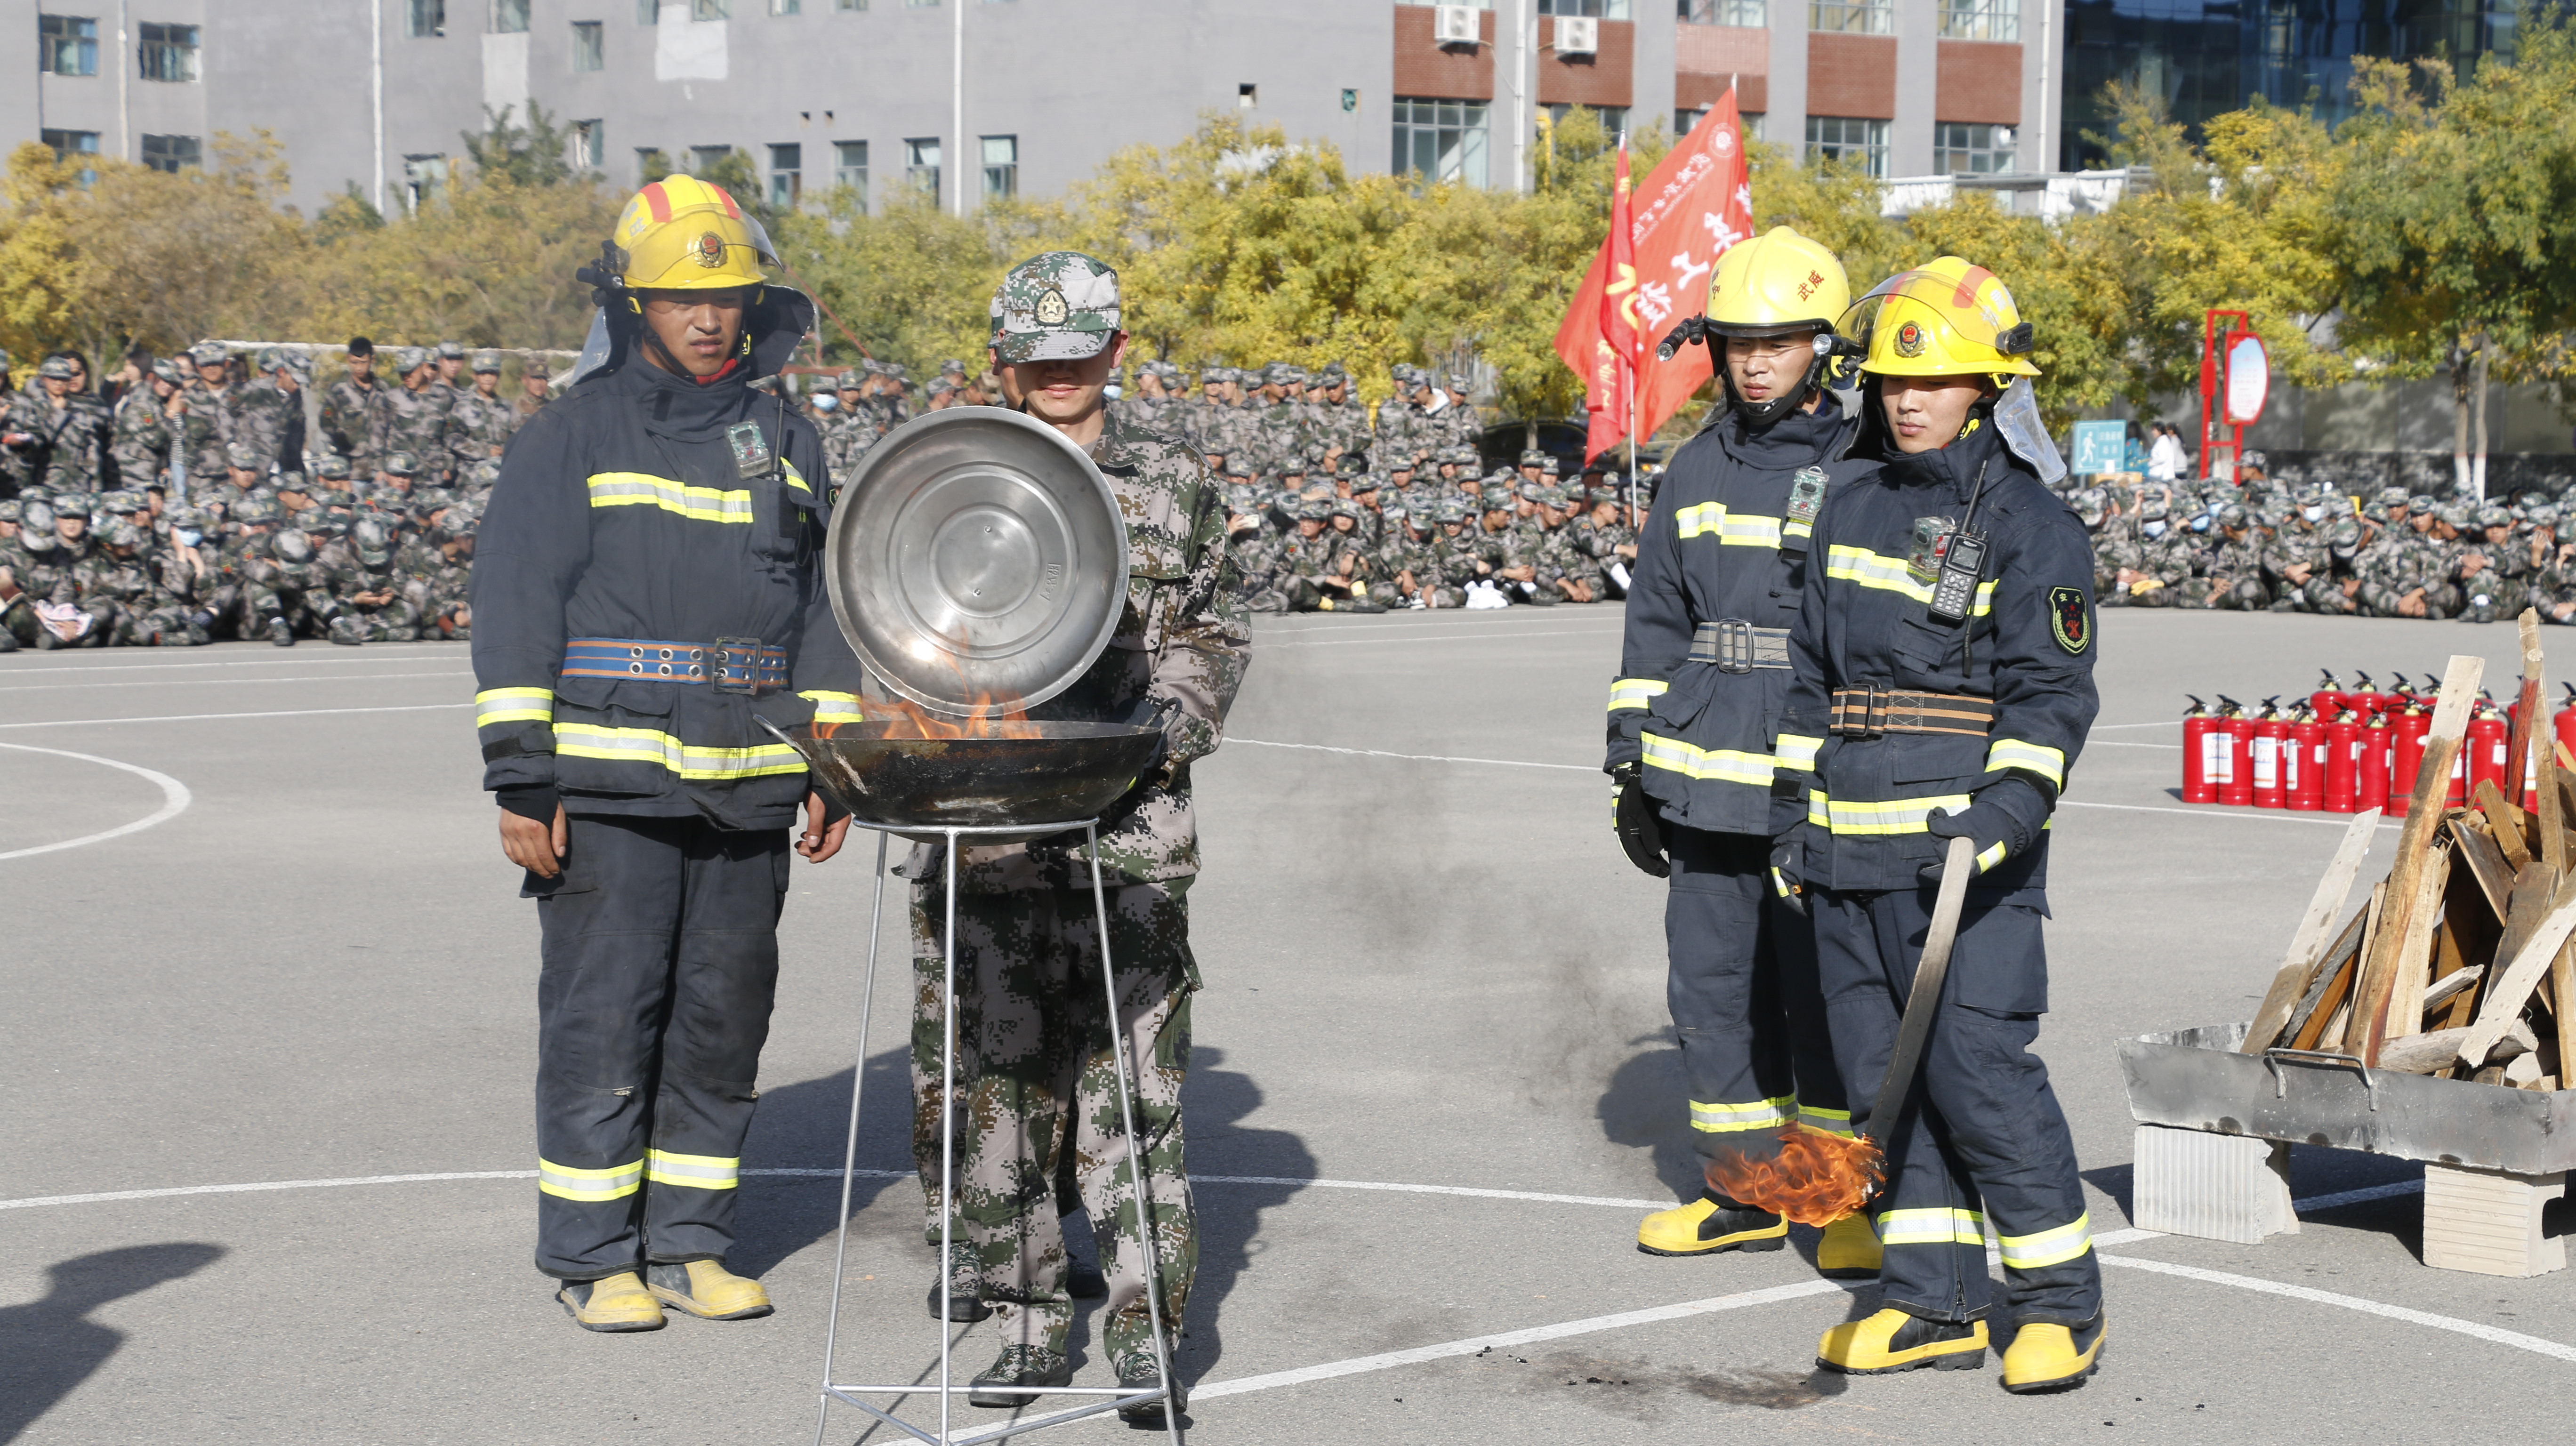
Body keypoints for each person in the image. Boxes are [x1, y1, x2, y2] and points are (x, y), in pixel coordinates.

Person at [468, 174, 869, 1334]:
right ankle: (594, 1254)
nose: (707, 317)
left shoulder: (786, 438)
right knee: (605, 1019)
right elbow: (516, 599)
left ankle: (691, 1241)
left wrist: (831, 760)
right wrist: (520, 773)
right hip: (609, 788)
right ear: (633, 304)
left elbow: (824, 608)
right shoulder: (572, 432)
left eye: (726, 298)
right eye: (683, 299)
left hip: (749, 785)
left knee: (722, 1021)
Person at [912, 249, 1245, 1422]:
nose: (1059, 372)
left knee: (1132, 1102)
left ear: (1116, 348)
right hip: (990, 839)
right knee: (998, 1099)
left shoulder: (1172, 481)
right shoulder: (950, 476)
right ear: (1000, 358)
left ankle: (1147, 1340)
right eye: (1035, 355)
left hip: (1128, 840)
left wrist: (1154, 737)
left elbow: (1212, 633)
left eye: (1080, 350)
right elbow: (898, 623)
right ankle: (1023, 1325)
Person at [1773, 257, 2104, 1390]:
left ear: (1989, 388)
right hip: (1843, 842)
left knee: (1976, 1070)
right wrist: (1790, 817)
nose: (1908, 400)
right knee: (1884, 1081)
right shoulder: (1846, 500)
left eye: (1936, 380)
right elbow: (1808, 678)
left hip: (1963, 858)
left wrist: (2004, 811)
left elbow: (2051, 694)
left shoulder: (2031, 522)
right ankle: (1932, 1301)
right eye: (1891, 381)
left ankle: (2060, 1302)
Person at [1605, 226, 1878, 1273]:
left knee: (1823, 999)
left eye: (1779, 343)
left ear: (1824, 350)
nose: (1755, 364)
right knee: (1712, 998)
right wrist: (1631, 764)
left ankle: (1840, 1200)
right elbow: (1655, 624)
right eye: (1737, 344)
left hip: (1816, 778)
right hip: (1703, 776)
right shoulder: (1695, 466)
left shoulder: (1864, 466)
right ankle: (1750, 1195)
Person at [322, 339, 388, 479]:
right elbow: (326, 421)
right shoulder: (339, 390)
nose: (359, 368)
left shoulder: (383, 389)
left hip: (377, 466)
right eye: (354, 363)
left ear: (372, 360)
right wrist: (340, 439)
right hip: (349, 467)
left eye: (363, 363)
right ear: (348, 359)